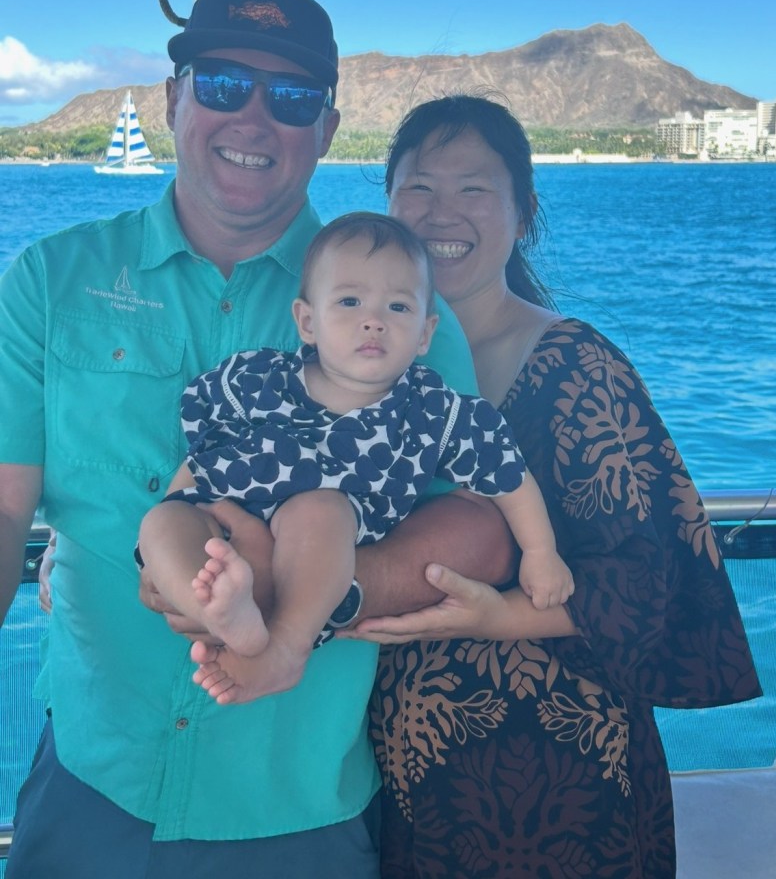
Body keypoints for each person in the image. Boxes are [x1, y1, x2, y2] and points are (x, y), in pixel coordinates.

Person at [0, 0, 516, 879]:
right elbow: (8, 513)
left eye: (292, 98)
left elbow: (483, 525)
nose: (254, 118)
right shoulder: (50, 279)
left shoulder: (392, 302)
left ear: (324, 128)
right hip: (91, 779)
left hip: (296, 806)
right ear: (172, 99)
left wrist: (311, 595)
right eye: (223, 84)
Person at [340, 95, 763, 878]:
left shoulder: (576, 366)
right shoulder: (360, 370)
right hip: (405, 772)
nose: (444, 212)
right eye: (420, 187)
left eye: (474, 189)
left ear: (522, 212)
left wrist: (499, 615)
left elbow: (649, 578)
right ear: (388, 205)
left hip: (566, 774)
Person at [137, 212, 572, 704]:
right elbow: (203, 455)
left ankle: (284, 645)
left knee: (319, 510)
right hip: (222, 512)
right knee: (162, 522)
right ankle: (215, 607)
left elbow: (505, 473)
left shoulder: (428, 410)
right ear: (307, 321)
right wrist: (179, 511)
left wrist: (541, 553)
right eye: (349, 301)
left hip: (318, 531)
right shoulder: (256, 379)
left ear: (425, 334)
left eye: (398, 307)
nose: (374, 319)